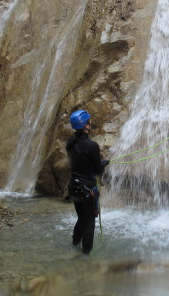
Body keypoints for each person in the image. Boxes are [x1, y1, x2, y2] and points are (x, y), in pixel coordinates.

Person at [66, 109, 109, 255]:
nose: (90, 123)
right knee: (89, 223)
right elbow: (98, 170)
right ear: (86, 125)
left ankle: (75, 244)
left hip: (74, 186)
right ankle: (85, 255)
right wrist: (102, 164)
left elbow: (80, 161)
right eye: (89, 121)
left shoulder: (70, 142)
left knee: (81, 218)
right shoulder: (92, 146)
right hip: (87, 188)